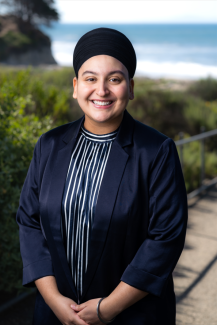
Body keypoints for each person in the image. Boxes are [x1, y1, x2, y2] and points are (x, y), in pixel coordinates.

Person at [16, 27, 188, 325]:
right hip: (54, 313)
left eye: (115, 79)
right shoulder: (50, 144)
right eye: (91, 78)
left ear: (130, 88)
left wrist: (107, 308)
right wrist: (54, 300)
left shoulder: (157, 151)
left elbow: (165, 238)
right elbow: (29, 222)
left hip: (131, 315)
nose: (102, 90)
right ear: (75, 86)